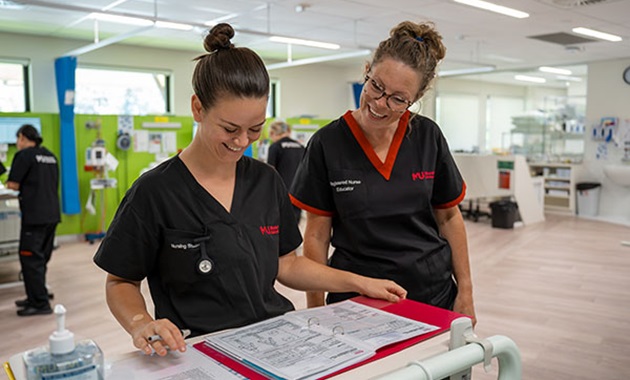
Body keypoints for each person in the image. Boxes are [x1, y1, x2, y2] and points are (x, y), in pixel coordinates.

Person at [93, 23, 406, 357]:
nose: (242, 142)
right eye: (229, 129)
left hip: (276, 341)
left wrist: (359, 282)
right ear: (198, 109)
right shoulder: (154, 192)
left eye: (255, 129)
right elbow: (120, 281)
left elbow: (287, 265)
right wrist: (141, 322)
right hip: (199, 349)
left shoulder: (266, 181)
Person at [290, 21, 476, 324]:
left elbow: (449, 217)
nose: (379, 103)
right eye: (376, 86)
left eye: (398, 99)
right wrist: (317, 308)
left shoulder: (427, 137)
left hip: (431, 292)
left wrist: (466, 292)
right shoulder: (327, 143)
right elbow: (316, 234)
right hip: (356, 299)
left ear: (415, 99)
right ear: (367, 70)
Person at [6, 124, 60, 316]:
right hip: (52, 215)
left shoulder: (24, 155)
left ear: (22, 137)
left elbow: (13, 184)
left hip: (35, 216)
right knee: (41, 258)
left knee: (30, 259)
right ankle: (36, 294)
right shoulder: (50, 156)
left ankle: (40, 304)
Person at [267, 120, 305, 222]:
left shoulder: (275, 147)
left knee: (280, 225)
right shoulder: (301, 147)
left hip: (281, 192)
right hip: (298, 192)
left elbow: (270, 171)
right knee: (294, 223)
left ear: (272, 133)